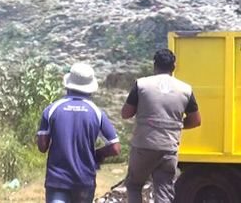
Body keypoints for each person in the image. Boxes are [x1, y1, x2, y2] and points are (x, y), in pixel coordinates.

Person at [122, 49, 202, 203]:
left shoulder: (141, 84)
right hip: (168, 147)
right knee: (164, 190)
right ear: (174, 67)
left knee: (133, 185)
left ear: (154, 66)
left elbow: (126, 114)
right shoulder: (185, 89)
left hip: (143, 146)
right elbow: (196, 121)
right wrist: (173, 125)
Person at [37, 63, 120, 203]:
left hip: (58, 180)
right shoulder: (96, 113)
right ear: (90, 88)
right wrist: (97, 154)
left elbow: (42, 147)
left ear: (68, 84)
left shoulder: (52, 110)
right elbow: (115, 147)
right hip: (84, 180)